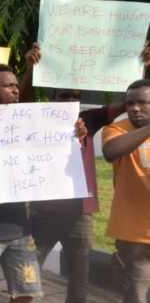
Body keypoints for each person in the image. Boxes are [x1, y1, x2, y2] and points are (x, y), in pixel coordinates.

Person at [20, 42, 150, 303]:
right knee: (28, 275)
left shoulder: (89, 119)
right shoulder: (37, 119)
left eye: (74, 97)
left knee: (80, 280)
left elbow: (131, 102)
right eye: (62, 96)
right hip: (43, 212)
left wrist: (144, 66)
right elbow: (20, 104)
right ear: (52, 99)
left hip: (81, 214)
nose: (69, 102)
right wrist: (30, 69)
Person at [0, 64, 87, 303]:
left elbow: (52, 157)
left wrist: (74, 137)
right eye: (8, 85)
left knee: (27, 296)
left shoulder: (30, 125)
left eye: (16, 85)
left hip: (20, 231)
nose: (15, 90)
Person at [101, 78, 150, 303]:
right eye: (130, 103)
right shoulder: (117, 129)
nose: (135, 108)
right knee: (136, 295)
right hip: (134, 232)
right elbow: (111, 151)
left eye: (142, 102)